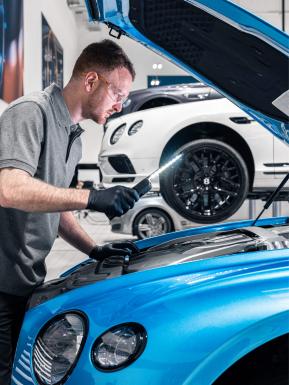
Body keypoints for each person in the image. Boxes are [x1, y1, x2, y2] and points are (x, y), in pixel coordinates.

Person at [0, 39, 140, 383]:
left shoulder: (74, 138)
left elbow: (54, 201)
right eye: (118, 94)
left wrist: (94, 248)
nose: (120, 106)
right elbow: (9, 189)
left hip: (24, 282)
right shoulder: (30, 112)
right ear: (91, 81)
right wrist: (91, 198)